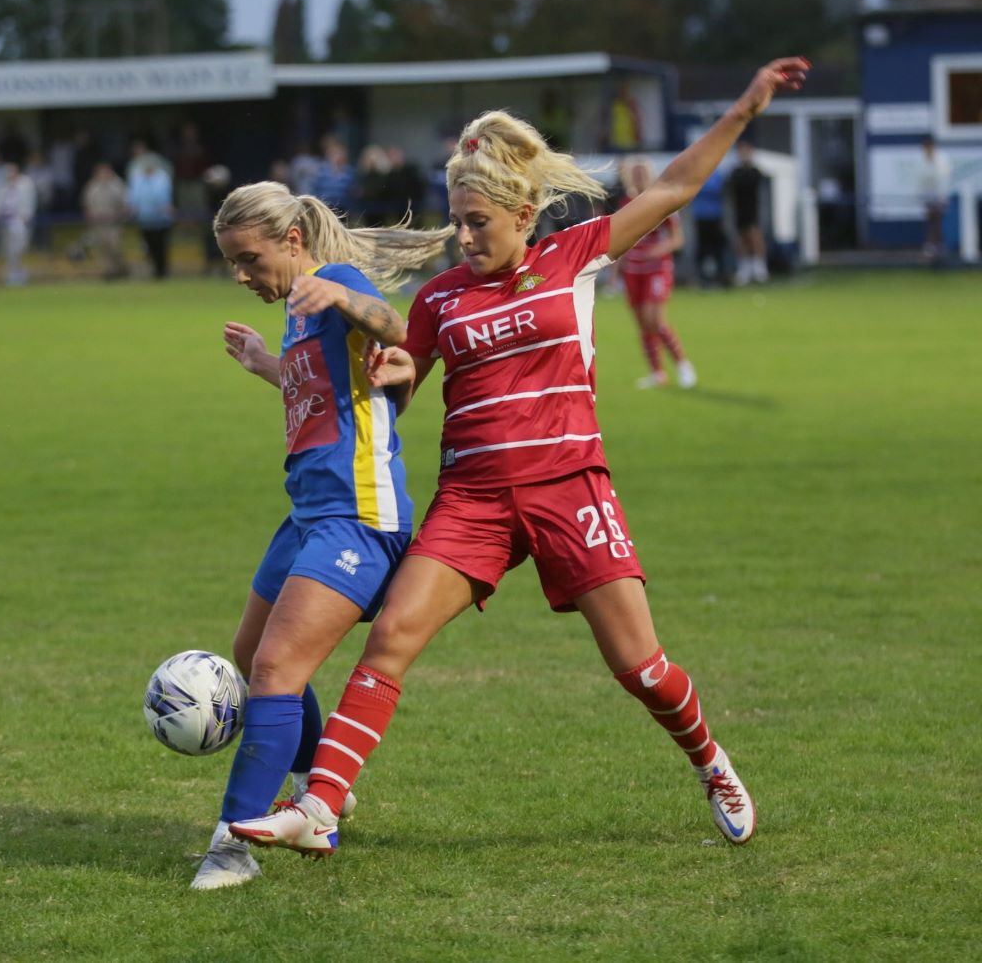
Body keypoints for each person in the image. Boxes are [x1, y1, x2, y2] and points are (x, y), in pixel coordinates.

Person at [229, 57, 811, 864]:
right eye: (456, 222)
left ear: (525, 213)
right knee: (390, 636)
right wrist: (391, 378)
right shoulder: (438, 300)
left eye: (478, 223)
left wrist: (745, 106)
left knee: (640, 669)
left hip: (570, 489)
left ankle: (712, 764)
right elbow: (400, 383)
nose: (464, 238)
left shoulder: (575, 258)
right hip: (471, 500)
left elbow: (674, 187)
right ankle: (321, 806)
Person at [189, 181, 451, 890]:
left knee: (276, 670)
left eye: (249, 259)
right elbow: (326, 393)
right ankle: (318, 790)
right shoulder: (296, 313)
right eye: (232, 264)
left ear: (292, 242)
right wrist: (266, 367)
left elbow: (394, 328)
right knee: (251, 654)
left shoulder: (331, 283)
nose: (242, 276)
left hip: (358, 516)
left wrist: (343, 298)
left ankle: (230, 845)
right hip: (306, 512)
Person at [617, 157, 696, 389]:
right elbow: (620, 238)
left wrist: (660, 249)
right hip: (634, 270)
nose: (639, 176)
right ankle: (657, 373)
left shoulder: (660, 202)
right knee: (642, 323)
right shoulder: (626, 203)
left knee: (656, 320)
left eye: (643, 172)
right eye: (636, 173)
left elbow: (677, 238)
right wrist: (615, 270)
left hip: (656, 269)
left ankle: (683, 365)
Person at [0, 162, 37, 286]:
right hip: (4, 223)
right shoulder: (1, 187)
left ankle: (19, 273)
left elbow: (29, 203)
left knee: (18, 249)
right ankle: (11, 275)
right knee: (7, 250)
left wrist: (26, 216)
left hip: (19, 222)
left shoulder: (26, 184)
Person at [78, 162, 129, 280]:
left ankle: (121, 268)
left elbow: (125, 205)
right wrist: (89, 217)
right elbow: (86, 204)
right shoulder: (92, 186)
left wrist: (121, 216)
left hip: (113, 223)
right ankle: (111, 271)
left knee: (114, 247)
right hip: (98, 223)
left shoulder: (117, 185)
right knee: (104, 248)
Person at [126, 158, 174, 279]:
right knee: (149, 246)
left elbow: (164, 197)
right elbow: (134, 197)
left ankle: (162, 271)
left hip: (161, 220)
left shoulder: (162, 178)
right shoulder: (138, 179)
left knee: (161, 245)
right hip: (144, 219)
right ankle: (153, 270)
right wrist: (132, 209)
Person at [729, 141, 769, 285]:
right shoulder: (736, 172)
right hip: (740, 210)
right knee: (742, 238)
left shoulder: (755, 171)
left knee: (754, 236)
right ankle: (745, 268)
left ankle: (759, 267)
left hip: (753, 210)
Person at [692, 168, 731, 288]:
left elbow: (717, 190)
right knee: (703, 249)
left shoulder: (716, 174)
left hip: (715, 217)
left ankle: (721, 276)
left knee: (718, 248)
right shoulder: (697, 174)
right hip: (701, 217)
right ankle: (703, 277)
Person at [915, 137, 951, 264]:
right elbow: (920, 180)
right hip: (928, 197)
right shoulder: (922, 160)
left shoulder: (941, 159)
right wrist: (922, 197)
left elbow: (943, 179)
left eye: (928, 147)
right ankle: (931, 247)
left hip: (939, 196)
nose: (926, 150)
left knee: (937, 221)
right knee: (931, 221)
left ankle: (938, 247)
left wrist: (942, 198)